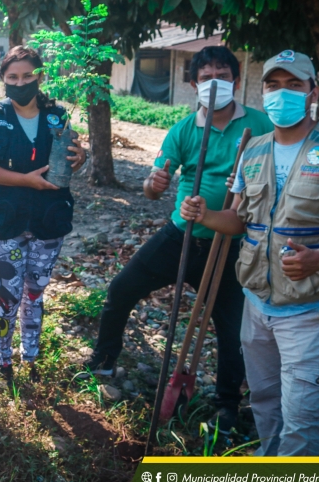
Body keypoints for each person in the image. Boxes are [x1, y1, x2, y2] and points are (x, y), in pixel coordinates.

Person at [180, 50, 319, 482]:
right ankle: (269, 475)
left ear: (314, 92)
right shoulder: (253, 149)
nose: (282, 94)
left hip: (311, 309)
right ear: (262, 91)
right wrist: (207, 215)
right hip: (257, 300)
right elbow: (238, 220)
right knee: (266, 399)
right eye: (273, 85)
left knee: (300, 415)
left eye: (294, 85)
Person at [80, 46, 274, 432]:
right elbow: (154, 188)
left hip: (232, 244)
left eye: (222, 75)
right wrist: (154, 183)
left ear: (236, 81)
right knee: (121, 288)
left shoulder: (260, 125)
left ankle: (226, 404)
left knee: (233, 329)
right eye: (206, 78)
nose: (214, 83)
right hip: (181, 236)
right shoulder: (184, 130)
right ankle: (103, 360)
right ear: (193, 84)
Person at [0, 46, 85, 389]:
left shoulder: (57, 116)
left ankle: (30, 356)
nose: (21, 83)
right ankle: (3, 363)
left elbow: (69, 160)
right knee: (7, 296)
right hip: (2, 222)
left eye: (28, 76)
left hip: (48, 220)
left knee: (35, 292)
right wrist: (25, 180)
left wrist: (80, 157)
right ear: (3, 80)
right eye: (12, 77)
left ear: (40, 76)